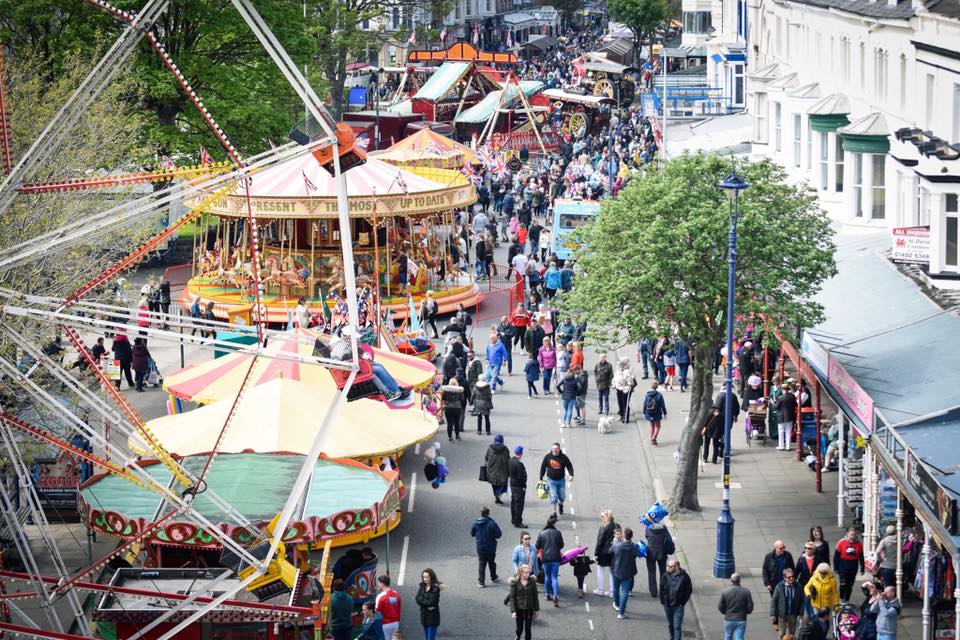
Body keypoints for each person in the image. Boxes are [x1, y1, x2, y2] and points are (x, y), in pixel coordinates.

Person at [660, 558, 693, 640]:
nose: (669, 568)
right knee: (671, 624)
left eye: (671, 566)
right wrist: (663, 601)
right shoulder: (665, 575)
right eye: (668, 566)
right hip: (667, 605)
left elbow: (688, 590)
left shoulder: (685, 577)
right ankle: (672, 637)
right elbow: (661, 588)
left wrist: (682, 603)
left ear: (677, 566)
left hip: (678, 606)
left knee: (677, 626)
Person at [535, 515, 564, 606]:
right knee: (554, 577)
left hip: (546, 559)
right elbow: (561, 545)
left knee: (547, 576)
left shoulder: (542, 533)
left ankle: (547, 594)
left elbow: (537, 546)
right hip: (556, 558)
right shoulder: (558, 533)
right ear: (554, 524)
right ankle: (556, 595)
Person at [610, 527, 639, 619]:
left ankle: (617, 604)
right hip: (628, 572)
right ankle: (621, 613)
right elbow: (636, 554)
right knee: (625, 592)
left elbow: (610, 551)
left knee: (616, 588)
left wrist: (615, 543)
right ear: (632, 536)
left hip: (616, 570)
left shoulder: (617, 546)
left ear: (623, 535)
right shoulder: (634, 547)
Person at [539, 443, 573, 517]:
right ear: (551, 449)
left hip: (561, 481)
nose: (554, 451)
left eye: (556, 449)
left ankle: (560, 504)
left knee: (562, 497)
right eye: (553, 449)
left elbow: (569, 466)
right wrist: (541, 477)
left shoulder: (563, 458)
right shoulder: (547, 457)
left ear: (559, 450)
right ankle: (554, 513)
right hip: (551, 481)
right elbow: (543, 467)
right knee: (553, 497)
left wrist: (571, 474)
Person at [471, 505, 502, 587]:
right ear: (488, 513)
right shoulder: (491, 523)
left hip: (480, 547)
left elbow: (472, 533)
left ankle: (481, 582)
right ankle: (493, 577)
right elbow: (499, 535)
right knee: (491, 563)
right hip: (491, 547)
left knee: (482, 564)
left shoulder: (476, 523)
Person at [770, 567, 805, 639]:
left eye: (792, 576)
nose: (791, 578)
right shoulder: (779, 587)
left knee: (792, 634)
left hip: (793, 614)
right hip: (782, 614)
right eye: (789, 577)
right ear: (784, 578)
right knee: (782, 633)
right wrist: (773, 614)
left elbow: (802, 600)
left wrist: (801, 613)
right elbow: (774, 600)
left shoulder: (798, 586)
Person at [718, 573, 754, 640]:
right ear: (739, 580)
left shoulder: (725, 592)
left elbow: (720, 606)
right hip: (741, 619)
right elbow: (750, 607)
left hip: (729, 619)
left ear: (731, 580)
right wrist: (746, 612)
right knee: (739, 638)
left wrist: (725, 612)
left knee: (728, 636)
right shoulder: (746, 591)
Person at [508, 564, 539, 640]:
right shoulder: (515, 582)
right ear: (521, 573)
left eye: (529, 572)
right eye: (526, 573)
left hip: (529, 609)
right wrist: (513, 611)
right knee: (519, 628)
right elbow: (512, 598)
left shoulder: (532, 582)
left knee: (528, 629)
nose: (528, 574)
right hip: (519, 609)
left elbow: (535, 596)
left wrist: (536, 609)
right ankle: (518, 636)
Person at [833, 527, 865, 603]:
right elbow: (836, 556)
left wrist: (862, 569)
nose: (852, 536)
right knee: (843, 584)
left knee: (849, 586)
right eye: (851, 534)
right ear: (847, 534)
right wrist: (835, 567)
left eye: (854, 534)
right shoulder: (841, 542)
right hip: (843, 568)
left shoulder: (859, 544)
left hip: (853, 568)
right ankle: (841, 599)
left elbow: (861, 557)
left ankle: (847, 600)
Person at [645, 520, 673, 598]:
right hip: (662, 553)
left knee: (651, 572)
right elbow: (669, 539)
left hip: (650, 553)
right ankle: (662, 590)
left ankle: (653, 592)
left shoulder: (648, 529)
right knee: (663, 572)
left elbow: (646, 536)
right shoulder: (664, 529)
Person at [594, 510, 616, 597]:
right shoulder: (616, 526)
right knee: (611, 572)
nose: (601, 518)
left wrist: (596, 553)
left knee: (601, 570)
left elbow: (600, 542)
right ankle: (612, 591)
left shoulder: (603, 528)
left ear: (606, 517)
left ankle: (600, 589)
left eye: (602, 516)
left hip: (603, 553)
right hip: (613, 551)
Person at [415, 568, 442, 640]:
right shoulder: (422, 586)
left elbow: (432, 602)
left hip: (432, 617)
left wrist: (422, 602)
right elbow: (417, 598)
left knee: (431, 638)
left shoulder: (435, 588)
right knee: (427, 638)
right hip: (424, 615)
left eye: (427, 577)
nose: (425, 579)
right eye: (423, 577)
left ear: (431, 577)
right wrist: (426, 606)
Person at [485, 434, 511, 504]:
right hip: (503, 471)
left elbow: (486, 458)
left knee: (494, 483)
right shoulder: (505, 449)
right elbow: (508, 460)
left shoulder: (490, 448)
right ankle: (498, 494)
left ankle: (496, 494)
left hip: (491, 471)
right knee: (502, 484)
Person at [375, 575, 402, 640]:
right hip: (395, 623)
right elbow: (398, 609)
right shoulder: (397, 594)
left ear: (382, 584)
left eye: (379, 583)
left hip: (385, 624)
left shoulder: (380, 596)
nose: (378, 584)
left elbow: (378, 613)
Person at [775, 381, 798, 450]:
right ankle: (788, 446)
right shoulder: (792, 396)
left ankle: (781, 446)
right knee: (788, 431)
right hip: (790, 416)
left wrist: (773, 403)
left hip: (781, 417)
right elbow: (796, 405)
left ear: (783, 390)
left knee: (781, 431)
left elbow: (776, 407)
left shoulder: (780, 398)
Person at [642, 381, 667, 445]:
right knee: (658, 426)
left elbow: (645, 404)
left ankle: (652, 438)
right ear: (657, 387)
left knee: (652, 426)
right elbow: (662, 405)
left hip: (649, 412)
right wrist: (665, 413)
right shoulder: (659, 395)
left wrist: (644, 412)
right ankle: (654, 437)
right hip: (657, 413)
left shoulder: (647, 394)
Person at [613, 357, 636, 423]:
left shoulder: (628, 370)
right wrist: (614, 384)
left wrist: (629, 386)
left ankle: (626, 418)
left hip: (625, 389)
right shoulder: (618, 369)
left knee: (625, 403)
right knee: (620, 402)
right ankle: (622, 415)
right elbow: (615, 377)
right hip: (618, 388)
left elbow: (630, 380)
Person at [509, 446, 527, 527]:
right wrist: (524, 485)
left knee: (513, 502)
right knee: (519, 505)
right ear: (521, 453)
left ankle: (513, 519)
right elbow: (521, 477)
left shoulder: (511, 460)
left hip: (512, 484)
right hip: (519, 486)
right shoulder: (519, 464)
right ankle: (518, 522)